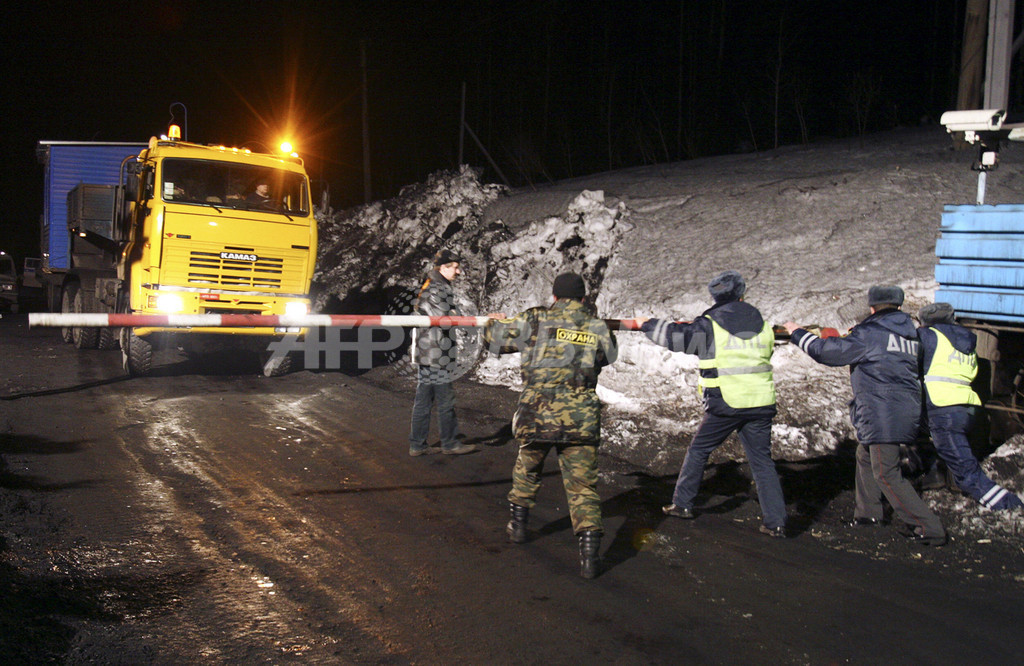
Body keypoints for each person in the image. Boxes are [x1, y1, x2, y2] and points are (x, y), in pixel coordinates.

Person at [784, 285, 947, 546]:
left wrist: (798, 333)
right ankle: (868, 513)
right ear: (898, 306)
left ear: (872, 308)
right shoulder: (911, 336)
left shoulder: (871, 333)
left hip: (883, 411)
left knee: (887, 472)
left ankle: (928, 527)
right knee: (865, 454)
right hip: (904, 407)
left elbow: (828, 352)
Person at [482, 272, 617, 578]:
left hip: (537, 414)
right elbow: (609, 355)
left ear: (554, 297)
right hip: (579, 419)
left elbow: (494, 342)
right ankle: (589, 558)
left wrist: (493, 320)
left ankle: (517, 527)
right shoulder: (595, 325)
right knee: (583, 486)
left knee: (528, 468)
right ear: (583, 299)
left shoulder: (535, 319)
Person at [640, 270, 788, 538]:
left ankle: (683, 504)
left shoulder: (710, 324)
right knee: (762, 462)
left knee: (699, 450)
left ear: (715, 296)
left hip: (727, 403)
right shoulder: (763, 324)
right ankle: (776, 522)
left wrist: (648, 325)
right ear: (742, 294)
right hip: (761, 402)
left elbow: (677, 337)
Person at [917, 302, 1024, 511]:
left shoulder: (930, 337)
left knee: (967, 473)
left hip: (943, 408)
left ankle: (1010, 506)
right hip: (966, 408)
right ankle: (938, 475)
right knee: (949, 450)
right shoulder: (965, 339)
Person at [408, 249, 477, 456]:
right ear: (443, 267)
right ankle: (449, 443)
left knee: (424, 400)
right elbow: (444, 318)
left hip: (429, 351)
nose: (458, 272)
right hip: (436, 353)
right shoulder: (437, 288)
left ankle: (417, 445)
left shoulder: (434, 285)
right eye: (455, 267)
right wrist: (458, 314)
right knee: (445, 400)